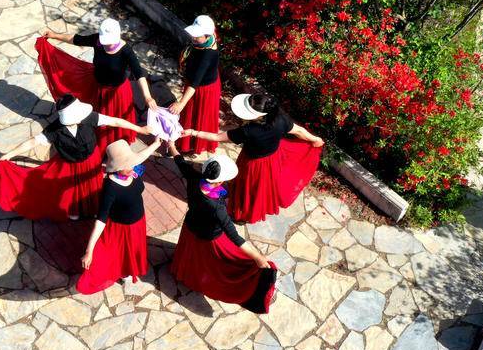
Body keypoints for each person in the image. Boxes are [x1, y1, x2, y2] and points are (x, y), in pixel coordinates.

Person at [0, 95, 149, 221]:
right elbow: (33, 142)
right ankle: (75, 209)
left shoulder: (89, 117)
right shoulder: (54, 130)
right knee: (73, 188)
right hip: (70, 164)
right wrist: (8, 155)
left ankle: (92, 208)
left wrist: (139, 129)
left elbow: (115, 121)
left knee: (92, 184)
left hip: (92, 160)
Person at [167, 140, 277, 314]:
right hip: (208, 237)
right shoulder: (217, 208)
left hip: (190, 226)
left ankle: (184, 273)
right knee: (211, 263)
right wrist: (257, 257)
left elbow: (180, 162)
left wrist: (172, 146)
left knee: (190, 256)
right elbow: (234, 236)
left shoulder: (195, 177)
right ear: (219, 183)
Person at [183, 93, 323, 223]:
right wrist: (315, 139)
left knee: (246, 188)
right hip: (272, 159)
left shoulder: (248, 131)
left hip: (252, 164)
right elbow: (299, 131)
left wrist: (193, 132)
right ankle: (249, 211)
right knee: (258, 188)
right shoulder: (280, 119)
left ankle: (241, 214)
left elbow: (217, 137)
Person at [40, 18, 157, 149]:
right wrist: (54, 35)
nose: (105, 44)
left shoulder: (126, 51)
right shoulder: (97, 40)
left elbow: (139, 73)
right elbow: (77, 39)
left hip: (117, 93)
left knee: (114, 118)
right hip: (98, 86)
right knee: (101, 116)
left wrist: (147, 97)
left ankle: (115, 143)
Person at [77, 138, 162, 294]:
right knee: (122, 253)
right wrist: (89, 250)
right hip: (123, 228)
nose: (131, 167)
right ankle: (124, 272)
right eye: (126, 165)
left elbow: (142, 155)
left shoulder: (133, 171)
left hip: (138, 222)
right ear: (116, 168)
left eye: (131, 162)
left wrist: (156, 143)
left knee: (134, 249)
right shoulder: (110, 188)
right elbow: (101, 219)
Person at [168, 15, 221, 156]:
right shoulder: (208, 40)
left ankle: (191, 145)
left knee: (197, 117)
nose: (193, 37)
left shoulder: (207, 55)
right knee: (192, 114)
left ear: (207, 35)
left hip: (203, 89)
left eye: (197, 36)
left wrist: (181, 103)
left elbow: (195, 83)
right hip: (200, 82)